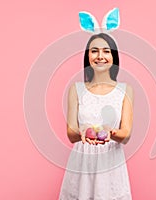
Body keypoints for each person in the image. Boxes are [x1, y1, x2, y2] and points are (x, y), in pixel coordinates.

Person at [59, 33, 134, 199]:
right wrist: (83, 132)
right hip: (82, 164)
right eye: (94, 51)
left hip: (111, 164)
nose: (100, 56)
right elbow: (71, 134)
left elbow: (126, 135)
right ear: (88, 57)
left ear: (113, 56)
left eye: (106, 51)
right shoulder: (76, 89)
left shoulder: (125, 90)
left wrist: (110, 132)